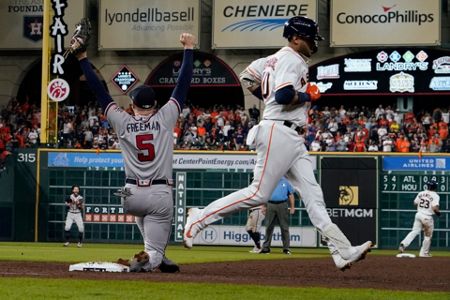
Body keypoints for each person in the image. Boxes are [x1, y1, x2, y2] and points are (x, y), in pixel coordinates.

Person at [183, 16, 372, 271]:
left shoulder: (271, 59)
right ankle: (199, 218)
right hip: (278, 130)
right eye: (309, 39)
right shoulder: (291, 59)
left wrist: (268, 94)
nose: (313, 44)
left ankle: (341, 251)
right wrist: (307, 95)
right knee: (258, 193)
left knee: (313, 196)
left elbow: (247, 78)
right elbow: (283, 96)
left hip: (292, 136)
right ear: (296, 39)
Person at [72, 24, 195, 271]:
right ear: (156, 105)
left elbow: (99, 91)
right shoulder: (165, 117)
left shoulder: (122, 120)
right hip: (158, 193)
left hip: (129, 195)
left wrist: (83, 58)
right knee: (155, 252)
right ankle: (149, 259)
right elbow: (182, 87)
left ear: (133, 105)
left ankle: (156, 254)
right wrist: (189, 49)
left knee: (146, 220)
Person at [398, 180, 440, 257]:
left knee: (414, 231)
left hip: (418, 215)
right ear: (435, 187)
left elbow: (415, 203)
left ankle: (403, 244)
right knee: (427, 236)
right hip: (427, 217)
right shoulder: (435, 195)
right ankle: (423, 253)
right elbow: (435, 208)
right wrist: (438, 213)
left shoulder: (421, 193)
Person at [260, 177, 295, 255]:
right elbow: (264, 194)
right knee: (268, 227)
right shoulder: (269, 181)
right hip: (270, 204)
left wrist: (292, 207)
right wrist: (263, 206)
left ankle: (286, 248)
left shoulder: (286, 181)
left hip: (282, 204)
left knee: (284, 227)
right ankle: (266, 248)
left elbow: (291, 195)